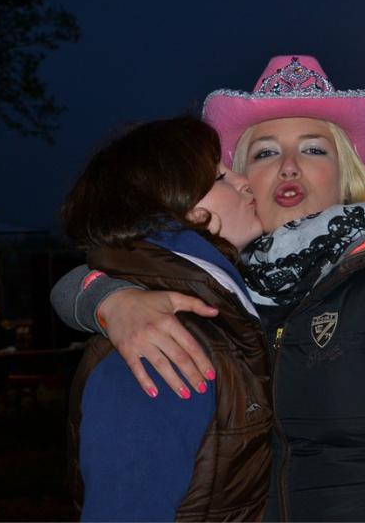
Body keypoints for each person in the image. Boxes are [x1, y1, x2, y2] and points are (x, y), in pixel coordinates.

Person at [53, 56, 365, 521]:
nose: (288, 166)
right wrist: (107, 299)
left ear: (346, 172)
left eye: (313, 149)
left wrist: (104, 298)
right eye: (265, 152)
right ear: (243, 182)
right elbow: (117, 261)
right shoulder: (229, 300)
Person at [62, 116, 272, 522]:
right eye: (220, 177)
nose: (245, 182)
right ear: (177, 209)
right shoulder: (163, 347)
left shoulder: (215, 319)